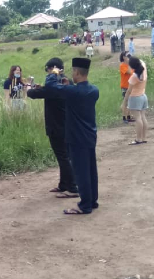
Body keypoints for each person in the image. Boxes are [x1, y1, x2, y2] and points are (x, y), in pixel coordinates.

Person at [44, 58, 99, 215]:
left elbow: (51, 86)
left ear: (76, 72)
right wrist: (71, 86)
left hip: (76, 138)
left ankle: (84, 205)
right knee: (90, 171)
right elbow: (78, 93)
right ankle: (92, 201)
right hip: (89, 136)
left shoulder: (72, 92)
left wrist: (54, 73)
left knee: (81, 173)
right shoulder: (94, 90)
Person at [26, 58, 79, 199]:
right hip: (66, 124)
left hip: (57, 125)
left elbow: (34, 94)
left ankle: (73, 187)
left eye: (48, 70)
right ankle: (64, 184)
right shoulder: (67, 81)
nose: (48, 73)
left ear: (53, 68)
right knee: (65, 156)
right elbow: (47, 91)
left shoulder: (54, 83)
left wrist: (30, 88)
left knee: (63, 157)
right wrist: (41, 88)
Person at [122, 57, 149, 145]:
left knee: (138, 118)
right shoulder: (144, 69)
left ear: (132, 67)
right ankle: (143, 137)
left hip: (135, 97)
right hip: (143, 96)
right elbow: (141, 61)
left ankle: (138, 139)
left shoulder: (134, 76)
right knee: (143, 117)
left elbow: (128, 91)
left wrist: (124, 103)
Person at [119, 51, 135, 123]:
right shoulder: (122, 65)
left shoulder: (130, 65)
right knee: (125, 102)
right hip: (125, 86)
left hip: (130, 86)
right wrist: (129, 63)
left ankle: (128, 116)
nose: (128, 57)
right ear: (123, 57)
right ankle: (124, 117)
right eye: (127, 56)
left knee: (130, 102)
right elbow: (129, 72)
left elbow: (134, 73)